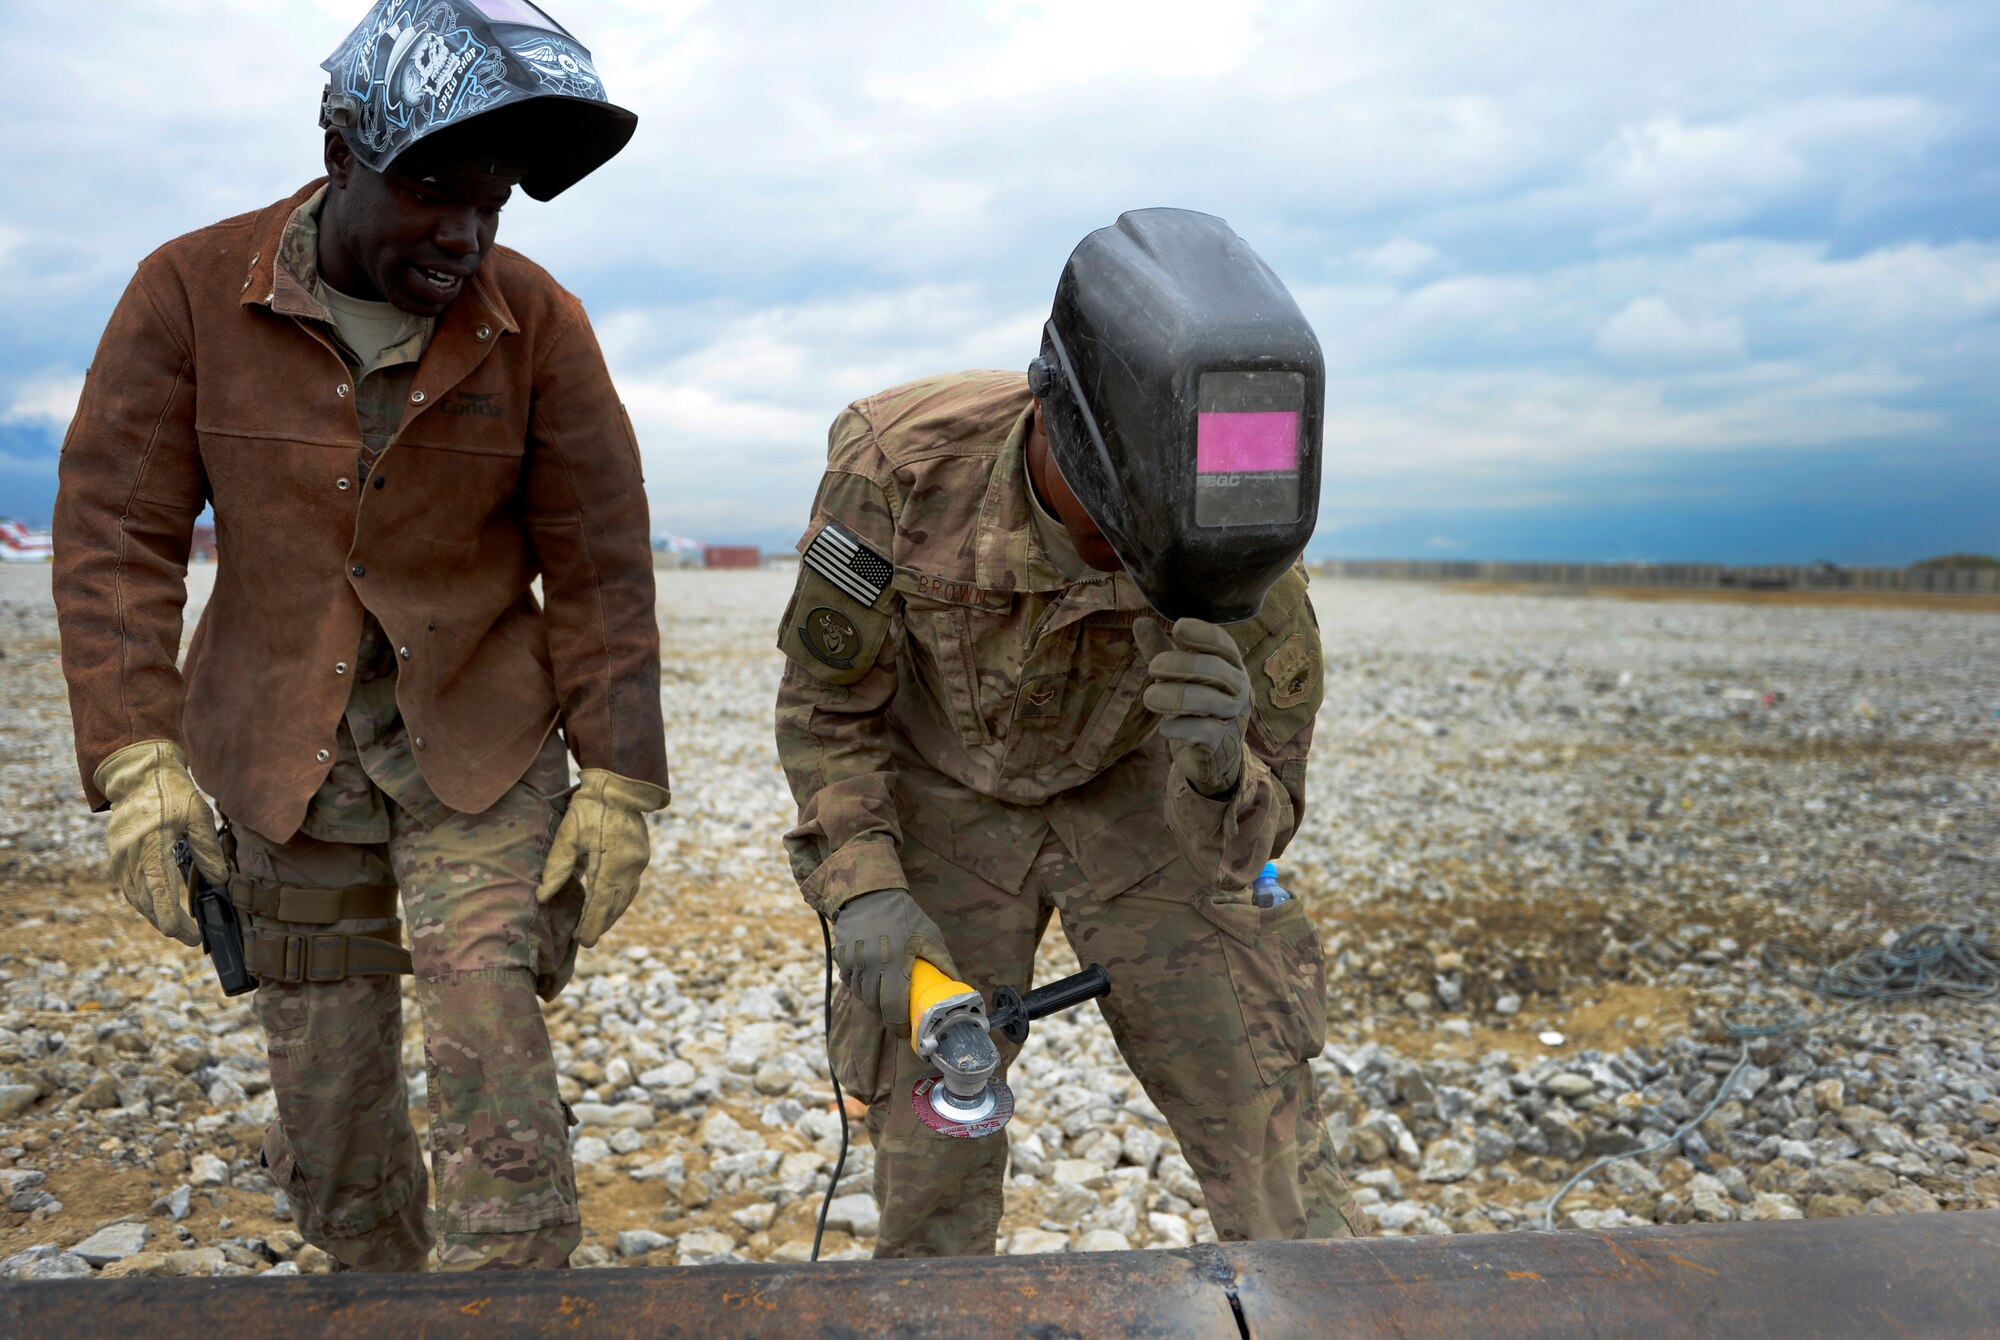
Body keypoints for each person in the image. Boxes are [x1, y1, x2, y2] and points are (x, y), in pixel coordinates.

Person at [52, 0, 667, 1272]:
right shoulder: (187, 293)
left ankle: (514, 1298)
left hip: (480, 745)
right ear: (341, 154)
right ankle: (372, 1293)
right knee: (330, 1100)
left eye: (492, 200)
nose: (464, 231)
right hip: (286, 757)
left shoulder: (537, 324)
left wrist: (616, 776)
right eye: (433, 187)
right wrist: (136, 761)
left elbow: (601, 564)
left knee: (489, 1025)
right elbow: (118, 537)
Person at [775, 208, 1366, 1257]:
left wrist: (1222, 772)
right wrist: (862, 881)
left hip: (1139, 796)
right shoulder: (902, 464)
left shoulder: (1243, 536)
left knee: (1262, 1112)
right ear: (1052, 419)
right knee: (931, 1145)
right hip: (941, 790)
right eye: (1108, 534)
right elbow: (831, 707)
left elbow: (1257, 840)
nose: (1123, 566)